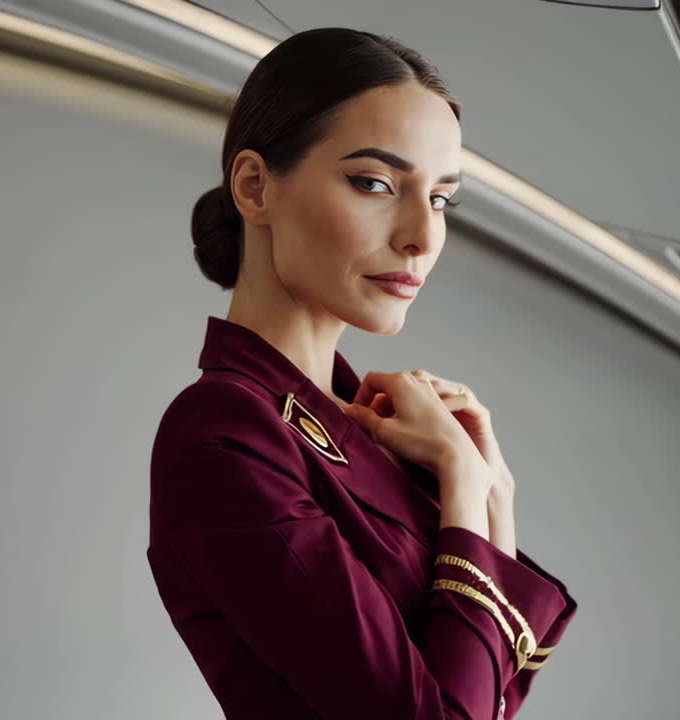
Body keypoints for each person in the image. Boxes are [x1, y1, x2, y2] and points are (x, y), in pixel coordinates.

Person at [146, 28, 578, 720]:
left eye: (440, 199)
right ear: (255, 187)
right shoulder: (223, 434)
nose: (422, 237)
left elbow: (492, 696)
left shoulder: (381, 430)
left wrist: (492, 496)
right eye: (375, 183)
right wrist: (465, 487)